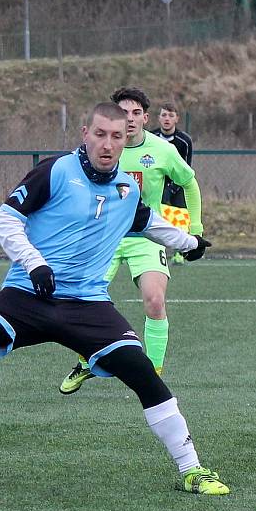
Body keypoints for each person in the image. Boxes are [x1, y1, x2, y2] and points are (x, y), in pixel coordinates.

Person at [0, 102, 229, 496]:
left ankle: (192, 470)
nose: (108, 144)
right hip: (27, 295)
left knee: (141, 371)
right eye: (101, 134)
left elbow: (148, 223)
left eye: (117, 137)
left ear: (126, 140)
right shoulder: (55, 172)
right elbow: (4, 219)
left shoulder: (126, 187)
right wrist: (34, 263)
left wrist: (190, 243)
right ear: (85, 134)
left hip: (87, 306)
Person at [60, 87, 204, 393]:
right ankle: (86, 361)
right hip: (104, 239)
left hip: (147, 236)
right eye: (123, 113)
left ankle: (151, 375)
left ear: (145, 118)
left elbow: (189, 182)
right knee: (82, 300)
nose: (129, 119)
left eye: (135, 113)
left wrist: (196, 227)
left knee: (155, 300)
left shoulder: (162, 151)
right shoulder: (101, 148)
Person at [151, 102, 194, 264]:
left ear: (177, 119)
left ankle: (179, 253)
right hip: (156, 184)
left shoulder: (184, 141)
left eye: (170, 115)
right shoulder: (151, 137)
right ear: (158, 118)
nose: (167, 119)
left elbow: (186, 168)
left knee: (179, 217)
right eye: (163, 115)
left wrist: (173, 187)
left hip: (177, 185)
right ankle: (153, 249)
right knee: (155, 218)